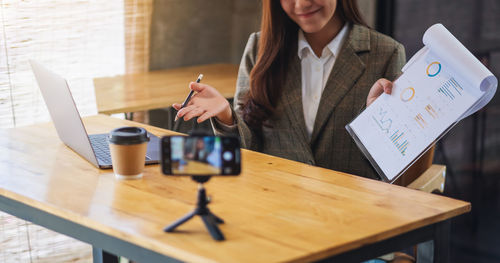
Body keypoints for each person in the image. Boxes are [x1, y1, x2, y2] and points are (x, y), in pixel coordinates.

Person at [173, 0, 405, 180]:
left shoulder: (386, 53)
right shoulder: (260, 47)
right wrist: (226, 115)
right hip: (275, 204)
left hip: (352, 213)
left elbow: (395, 164)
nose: (301, 4)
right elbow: (249, 150)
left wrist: (380, 126)